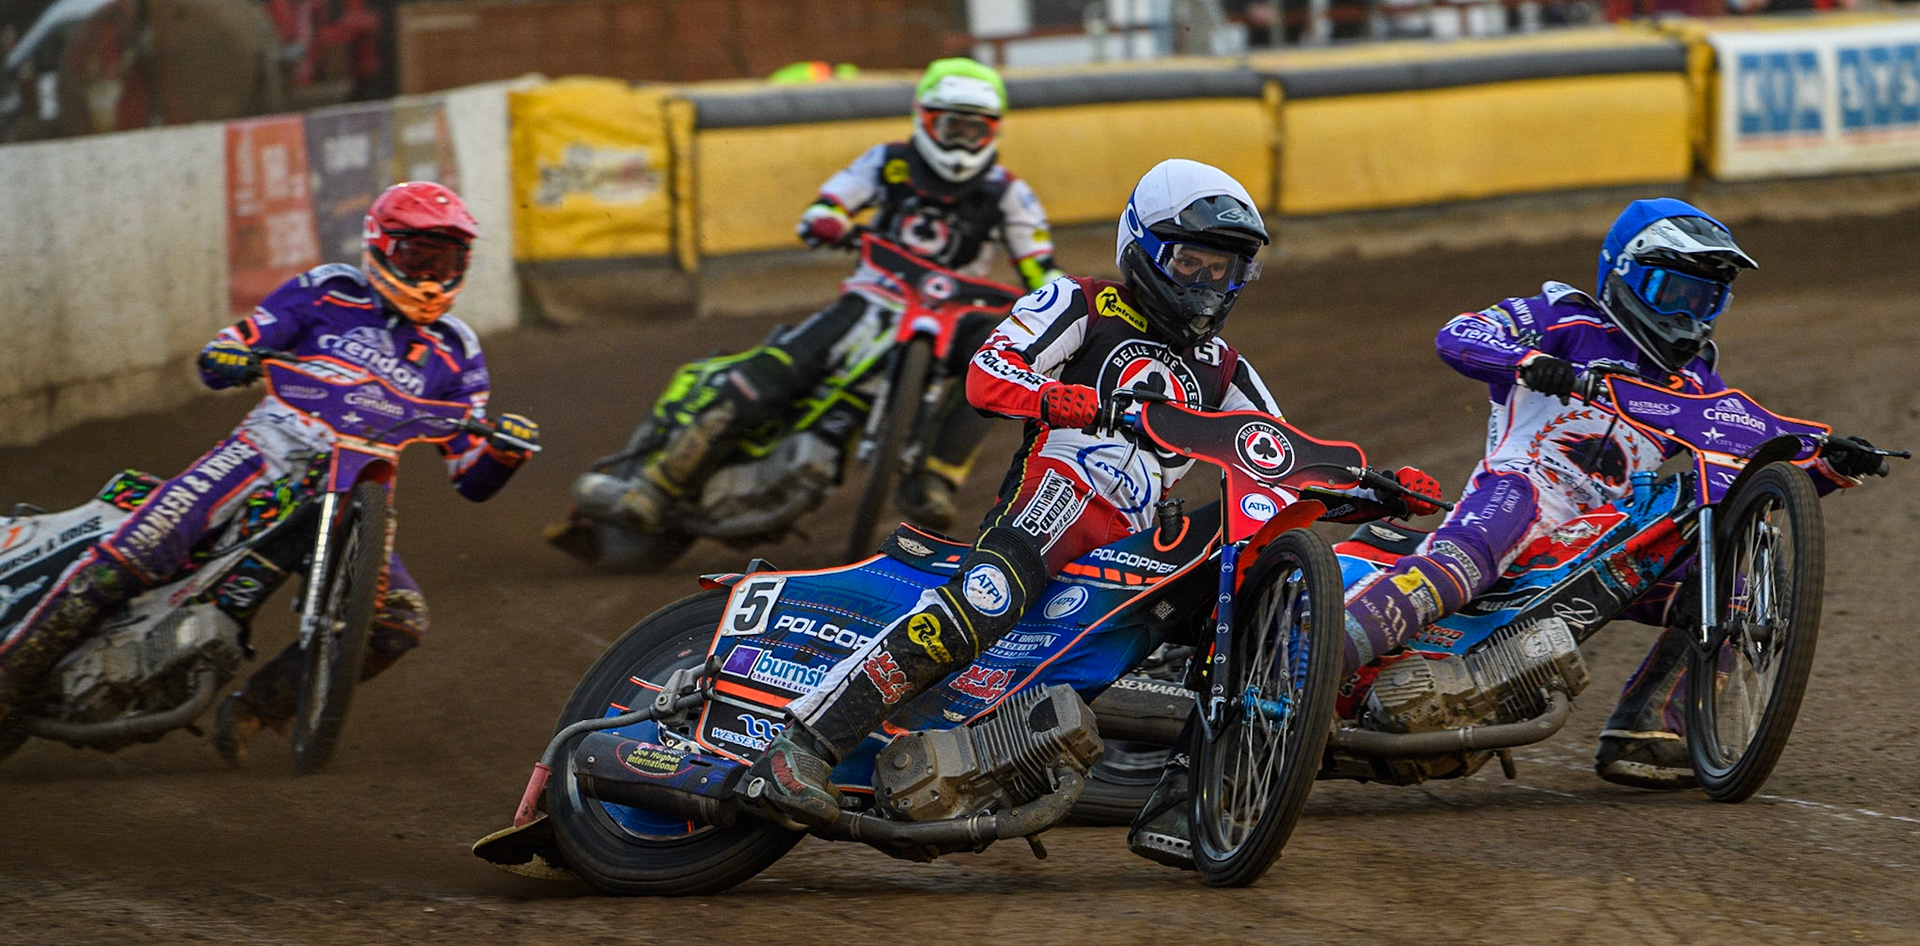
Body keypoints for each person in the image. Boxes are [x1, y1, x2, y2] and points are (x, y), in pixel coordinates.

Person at [735, 158, 1443, 839]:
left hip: (1135, 544)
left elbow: (1281, 459)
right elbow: (987, 372)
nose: (1204, 283)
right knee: (985, 599)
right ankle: (800, 747)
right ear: (1144, 248)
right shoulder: (1079, 301)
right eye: (1189, 262)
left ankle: (1189, 794)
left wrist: (1375, 491)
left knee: (1238, 595)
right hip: (1052, 501)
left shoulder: (1224, 367)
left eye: (1221, 269)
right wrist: (1052, 397)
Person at [1340, 197, 1885, 788]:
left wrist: (1829, 464)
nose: (1689, 314)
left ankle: (1651, 733)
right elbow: (1459, 334)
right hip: (1524, 488)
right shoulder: (1566, 320)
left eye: (1705, 299)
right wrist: (1530, 363)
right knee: (1481, 543)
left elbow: (1749, 468)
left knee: (1736, 581)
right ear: (1624, 274)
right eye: (1674, 292)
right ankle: (1320, 658)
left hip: (1600, 536)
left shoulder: (1696, 381)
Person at [0, 181, 540, 762]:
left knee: (399, 620)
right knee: (142, 546)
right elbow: (236, 345)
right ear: (382, 247)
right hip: (265, 451)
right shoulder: (328, 290)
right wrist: (230, 354)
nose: (432, 275)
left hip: (357, 487)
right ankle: (11, 678)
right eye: (419, 257)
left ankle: (259, 707)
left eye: (447, 261)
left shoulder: (457, 349)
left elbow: (470, 474)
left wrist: (506, 450)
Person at [563, 56, 1063, 542]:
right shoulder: (887, 161)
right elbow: (835, 199)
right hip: (875, 297)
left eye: (974, 131)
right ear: (925, 119)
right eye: (952, 127)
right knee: (778, 368)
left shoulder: (1009, 192)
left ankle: (936, 475)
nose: (961, 142)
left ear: (993, 132)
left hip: (956, 315)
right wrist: (827, 217)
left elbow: (1039, 262)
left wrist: (1056, 297)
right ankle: (659, 484)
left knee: (997, 362)